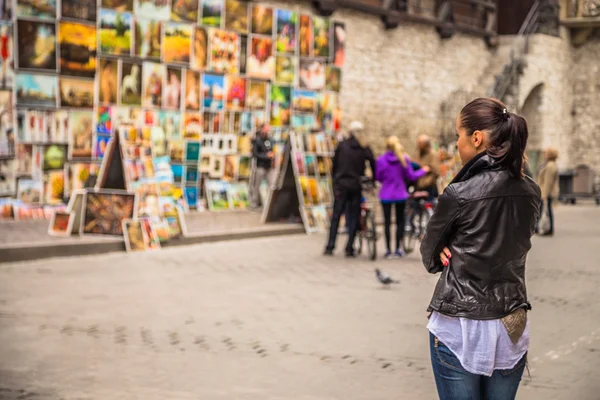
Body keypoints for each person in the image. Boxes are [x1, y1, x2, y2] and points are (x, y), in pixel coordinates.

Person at [420, 98, 541, 400]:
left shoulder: (459, 193)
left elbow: (429, 256)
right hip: (510, 323)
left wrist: (444, 248)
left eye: (458, 135)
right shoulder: (531, 191)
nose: (456, 143)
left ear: (476, 138)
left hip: (460, 326)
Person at [324, 121, 375, 257]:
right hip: (355, 185)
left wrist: (335, 180)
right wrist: (373, 179)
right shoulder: (363, 147)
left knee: (336, 216)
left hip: (341, 184)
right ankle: (349, 247)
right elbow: (373, 162)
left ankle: (330, 245)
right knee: (353, 216)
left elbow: (334, 164)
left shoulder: (342, 145)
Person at [376, 136, 428, 259]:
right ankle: (398, 249)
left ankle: (388, 250)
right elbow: (411, 176)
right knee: (400, 222)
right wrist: (423, 171)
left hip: (386, 194)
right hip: (400, 194)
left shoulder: (381, 160)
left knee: (387, 222)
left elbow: (378, 177)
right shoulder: (404, 159)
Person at [250, 124, 274, 209]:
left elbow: (271, 150)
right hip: (260, 166)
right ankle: (254, 202)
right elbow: (255, 154)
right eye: (266, 129)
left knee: (272, 185)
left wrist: (272, 155)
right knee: (256, 185)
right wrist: (266, 156)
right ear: (262, 129)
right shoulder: (257, 140)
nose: (268, 131)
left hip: (269, 167)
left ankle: (271, 203)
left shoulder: (270, 140)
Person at [536, 147, 559, 236]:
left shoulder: (550, 166)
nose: (545, 155)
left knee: (545, 210)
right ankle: (547, 228)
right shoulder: (550, 164)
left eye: (546, 153)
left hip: (546, 192)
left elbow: (548, 182)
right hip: (546, 191)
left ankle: (544, 228)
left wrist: (544, 195)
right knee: (547, 210)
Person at [415, 134, 441, 199]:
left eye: (420, 143)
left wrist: (427, 182)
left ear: (425, 144)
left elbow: (436, 171)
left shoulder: (433, 155)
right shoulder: (419, 154)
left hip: (430, 188)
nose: (418, 145)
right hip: (419, 187)